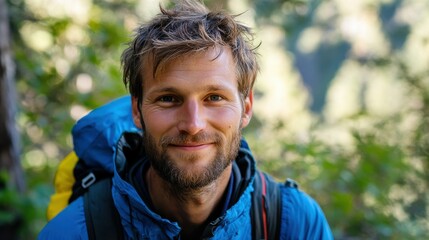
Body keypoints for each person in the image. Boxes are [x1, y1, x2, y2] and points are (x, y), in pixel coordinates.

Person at [39, 0, 333, 239]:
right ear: (137, 111)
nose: (193, 125)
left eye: (214, 98)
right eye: (168, 98)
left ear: (246, 107)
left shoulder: (294, 225)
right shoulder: (73, 233)